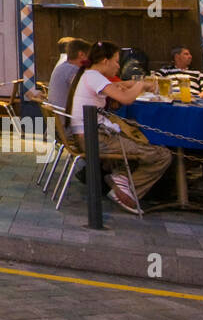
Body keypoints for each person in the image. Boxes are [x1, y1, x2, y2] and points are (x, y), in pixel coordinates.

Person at [67, 41, 171, 212]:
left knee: (142, 143)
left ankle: (121, 180)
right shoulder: (95, 77)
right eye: (116, 61)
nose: (118, 65)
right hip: (96, 138)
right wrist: (141, 83)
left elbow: (117, 87)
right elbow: (126, 99)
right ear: (105, 61)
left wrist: (131, 83)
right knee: (162, 155)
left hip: (92, 135)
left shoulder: (89, 75)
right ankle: (124, 191)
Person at [48, 38, 91, 112]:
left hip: (57, 117)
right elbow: (86, 91)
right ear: (81, 54)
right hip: (66, 118)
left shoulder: (62, 67)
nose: (90, 59)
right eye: (89, 56)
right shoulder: (71, 69)